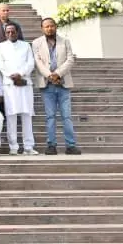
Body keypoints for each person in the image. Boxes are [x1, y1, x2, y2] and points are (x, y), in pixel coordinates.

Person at [32, 17, 81, 155]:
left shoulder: (65, 41)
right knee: (50, 116)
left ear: (56, 26)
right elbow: (38, 62)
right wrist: (50, 75)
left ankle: (71, 145)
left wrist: (58, 74)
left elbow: (70, 59)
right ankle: (51, 145)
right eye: (46, 26)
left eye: (51, 26)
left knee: (67, 116)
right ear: (42, 28)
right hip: (47, 85)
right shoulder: (36, 43)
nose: (49, 28)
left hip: (63, 83)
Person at [0, 23, 38, 155]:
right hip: (9, 85)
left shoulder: (25, 45)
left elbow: (30, 63)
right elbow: (0, 65)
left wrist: (20, 74)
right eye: (7, 32)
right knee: (11, 116)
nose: (10, 34)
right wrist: (12, 76)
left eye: (12, 31)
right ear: (5, 33)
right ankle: (13, 146)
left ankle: (28, 147)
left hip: (24, 83)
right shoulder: (0, 46)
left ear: (17, 32)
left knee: (27, 115)